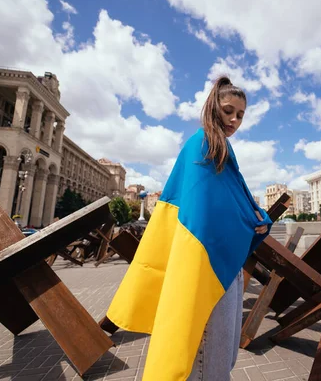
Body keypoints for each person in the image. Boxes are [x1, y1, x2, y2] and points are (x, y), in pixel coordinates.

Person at [104, 76, 273, 380]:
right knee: (210, 355)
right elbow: (201, 211)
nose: (234, 119)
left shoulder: (220, 147)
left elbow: (236, 199)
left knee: (222, 352)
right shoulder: (203, 144)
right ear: (213, 108)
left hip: (223, 259)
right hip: (206, 262)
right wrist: (249, 219)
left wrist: (258, 216)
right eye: (228, 110)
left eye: (240, 114)